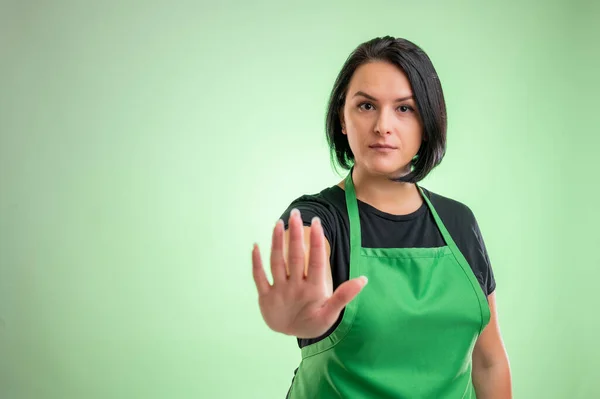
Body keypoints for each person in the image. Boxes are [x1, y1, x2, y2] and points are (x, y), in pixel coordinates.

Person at [251, 36, 512, 398]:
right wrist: (292, 312)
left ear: (428, 121)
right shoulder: (320, 220)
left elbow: (489, 361)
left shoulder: (459, 222)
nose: (383, 126)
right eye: (366, 106)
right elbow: (308, 258)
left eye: (404, 109)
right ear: (343, 118)